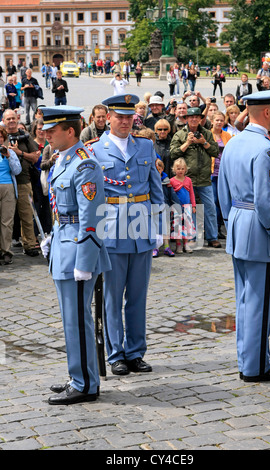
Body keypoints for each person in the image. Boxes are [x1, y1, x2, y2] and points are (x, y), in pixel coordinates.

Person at [217, 88, 270, 382]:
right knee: (260, 303)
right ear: (267, 112)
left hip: (240, 226)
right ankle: (254, 367)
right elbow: (266, 205)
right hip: (261, 233)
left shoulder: (234, 143)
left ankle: (248, 360)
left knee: (245, 300)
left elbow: (223, 194)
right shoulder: (267, 149)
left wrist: (235, 221)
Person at [88, 94, 165, 376]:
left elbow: (155, 188)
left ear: (135, 118)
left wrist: (160, 227)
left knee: (137, 296)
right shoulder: (95, 150)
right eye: (118, 116)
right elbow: (92, 198)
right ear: (107, 117)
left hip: (142, 227)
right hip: (112, 229)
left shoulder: (145, 146)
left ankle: (135, 352)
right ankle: (115, 353)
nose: (124, 121)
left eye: (128, 116)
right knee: (112, 296)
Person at [39, 105, 111, 405]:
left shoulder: (85, 165)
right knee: (70, 318)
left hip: (78, 251)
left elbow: (92, 216)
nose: (46, 136)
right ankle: (79, 375)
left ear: (70, 131)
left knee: (76, 320)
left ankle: (84, 384)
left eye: (52, 131)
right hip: (64, 244)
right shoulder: (62, 161)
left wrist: (85, 261)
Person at [170, 107, 221, 248]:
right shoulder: (180, 134)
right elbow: (173, 154)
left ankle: (212, 237)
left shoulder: (207, 133)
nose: (194, 119)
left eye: (197, 117)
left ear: (200, 119)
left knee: (210, 209)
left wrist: (204, 143)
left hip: (204, 178)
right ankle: (191, 237)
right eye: (191, 117)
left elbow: (216, 152)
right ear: (186, 119)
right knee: (189, 210)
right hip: (187, 180)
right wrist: (187, 143)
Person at [3, 109, 40, 256]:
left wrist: (19, 153)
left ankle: (30, 245)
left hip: (23, 181)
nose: (11, 121)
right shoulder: (1, 136)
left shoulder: (25, 136)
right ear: (4, 121)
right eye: (8, 119)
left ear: (17, 119)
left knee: (27, 214)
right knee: (5, 218)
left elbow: (35, 158)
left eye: (13, 118)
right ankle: (4, 248)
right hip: (5, 182)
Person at [0, 126, 22, 265]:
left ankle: (6, 250)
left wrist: (9, 157)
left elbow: (17, 170)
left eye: (1, 137)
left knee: (7, 221)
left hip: (8, 187)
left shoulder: (10, 152)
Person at [210, 111, 231, 238]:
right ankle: (214, 229)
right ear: (212, 121)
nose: (219, 122)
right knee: (214, 201)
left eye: (221, 120)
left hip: (224, 173)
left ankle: (219, 227)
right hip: (211, 173)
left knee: (222, 201)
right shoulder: (207, 134)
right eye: (216, 120)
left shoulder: (227, 135)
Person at [170, 158, 196, 253]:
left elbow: (192, 194)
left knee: (187, 225)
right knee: (177, 226)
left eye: (182, 168)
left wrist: (193, 206)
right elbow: (170, 196)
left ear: (185, 169)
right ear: (174, 169)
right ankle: (178, 245)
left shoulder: (188, 180)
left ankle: (186, 244)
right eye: (178, 168)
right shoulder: (172, 181)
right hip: (176, 208)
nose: (180, 171)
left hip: (187, 207)